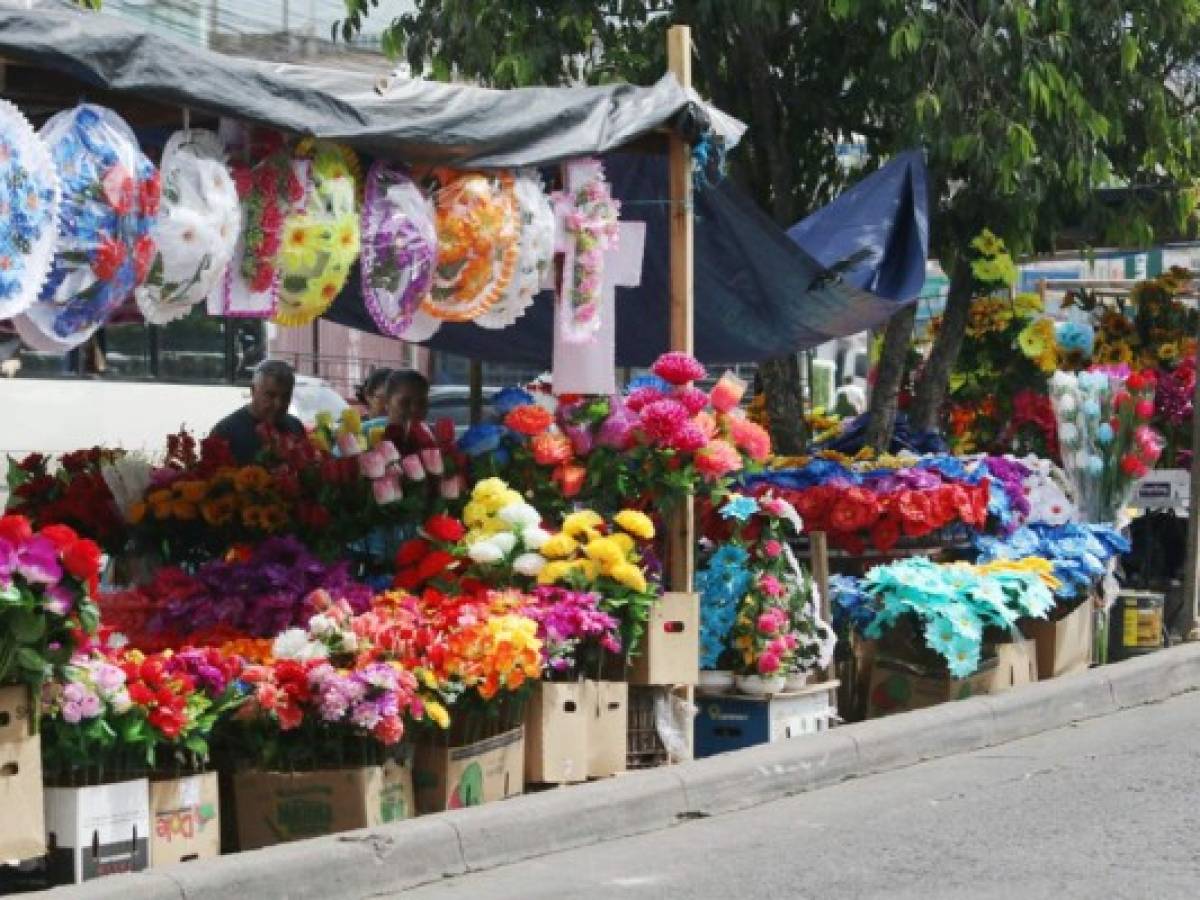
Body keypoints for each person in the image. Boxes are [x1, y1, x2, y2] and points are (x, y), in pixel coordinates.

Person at [210, 360, 306, 464]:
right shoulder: (225, 431)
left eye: (286, 396)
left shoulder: (295, 427)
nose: (278, 404)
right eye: (270, 395)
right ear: (253, 391)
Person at [382, 369, 435, 455]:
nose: (414, 409)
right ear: (386, 402)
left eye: (421, 402)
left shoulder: (436, 439)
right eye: (405, 402)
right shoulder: (369, 440)